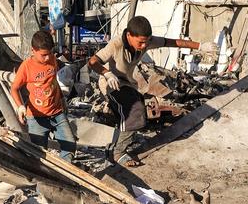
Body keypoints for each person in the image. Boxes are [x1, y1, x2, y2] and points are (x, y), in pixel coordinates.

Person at [88, 16, 217, 167]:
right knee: (134, 111)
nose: (144, 46)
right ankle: (117, 152)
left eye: (147, 42)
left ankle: (114, 147)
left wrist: (200, 46)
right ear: (129, 35)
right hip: (110, 83)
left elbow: (172, 42)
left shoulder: (147, 42)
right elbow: (92, 61)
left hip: (127, 83)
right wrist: (107, 73)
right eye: (140, 42)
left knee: (139, 112)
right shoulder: (115, 44)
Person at [11, 30, 76, 162]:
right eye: (43, 55)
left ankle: (65, 175)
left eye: (50, 53)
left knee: (70, 145)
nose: (47, 58)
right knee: (39, 154)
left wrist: (62, 99)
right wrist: (20, 107)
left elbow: (53, 81)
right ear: (33, 51)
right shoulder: (26, 67)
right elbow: (14, 89)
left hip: (57, 112)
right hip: (37, 118)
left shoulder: (52, 59)